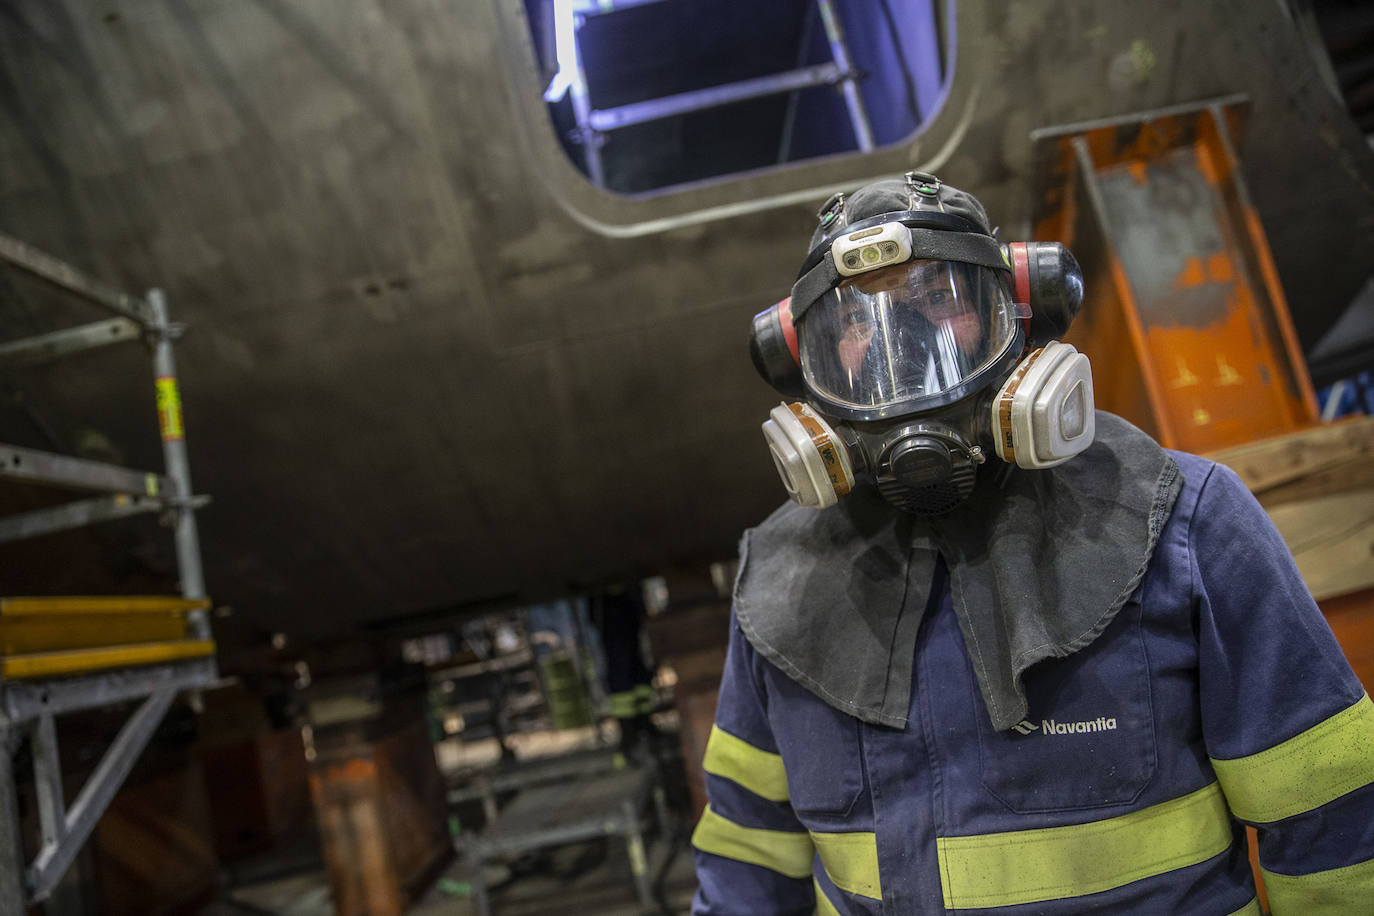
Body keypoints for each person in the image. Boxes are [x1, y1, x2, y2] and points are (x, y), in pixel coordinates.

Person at [692, 173, 1374, 914]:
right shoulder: (779, 586)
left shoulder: (1182, 523)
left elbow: (1337, 826)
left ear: (1021, 307)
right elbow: (745, 873)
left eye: (939, 298)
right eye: (857, 323)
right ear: (806, 362)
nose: (901, 346)